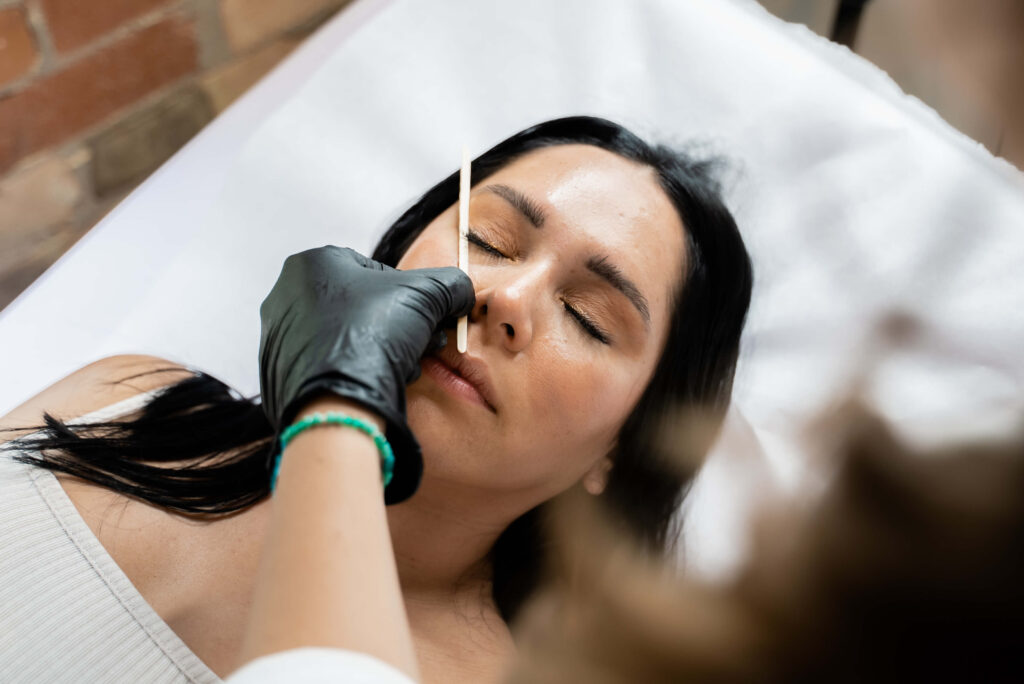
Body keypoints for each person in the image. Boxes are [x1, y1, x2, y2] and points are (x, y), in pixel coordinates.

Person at [0, 116, 753, 683]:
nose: (504, 296)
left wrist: (336, 413)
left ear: (624, 445)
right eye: (489, 239)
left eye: (589, 318)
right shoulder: (123, 395)